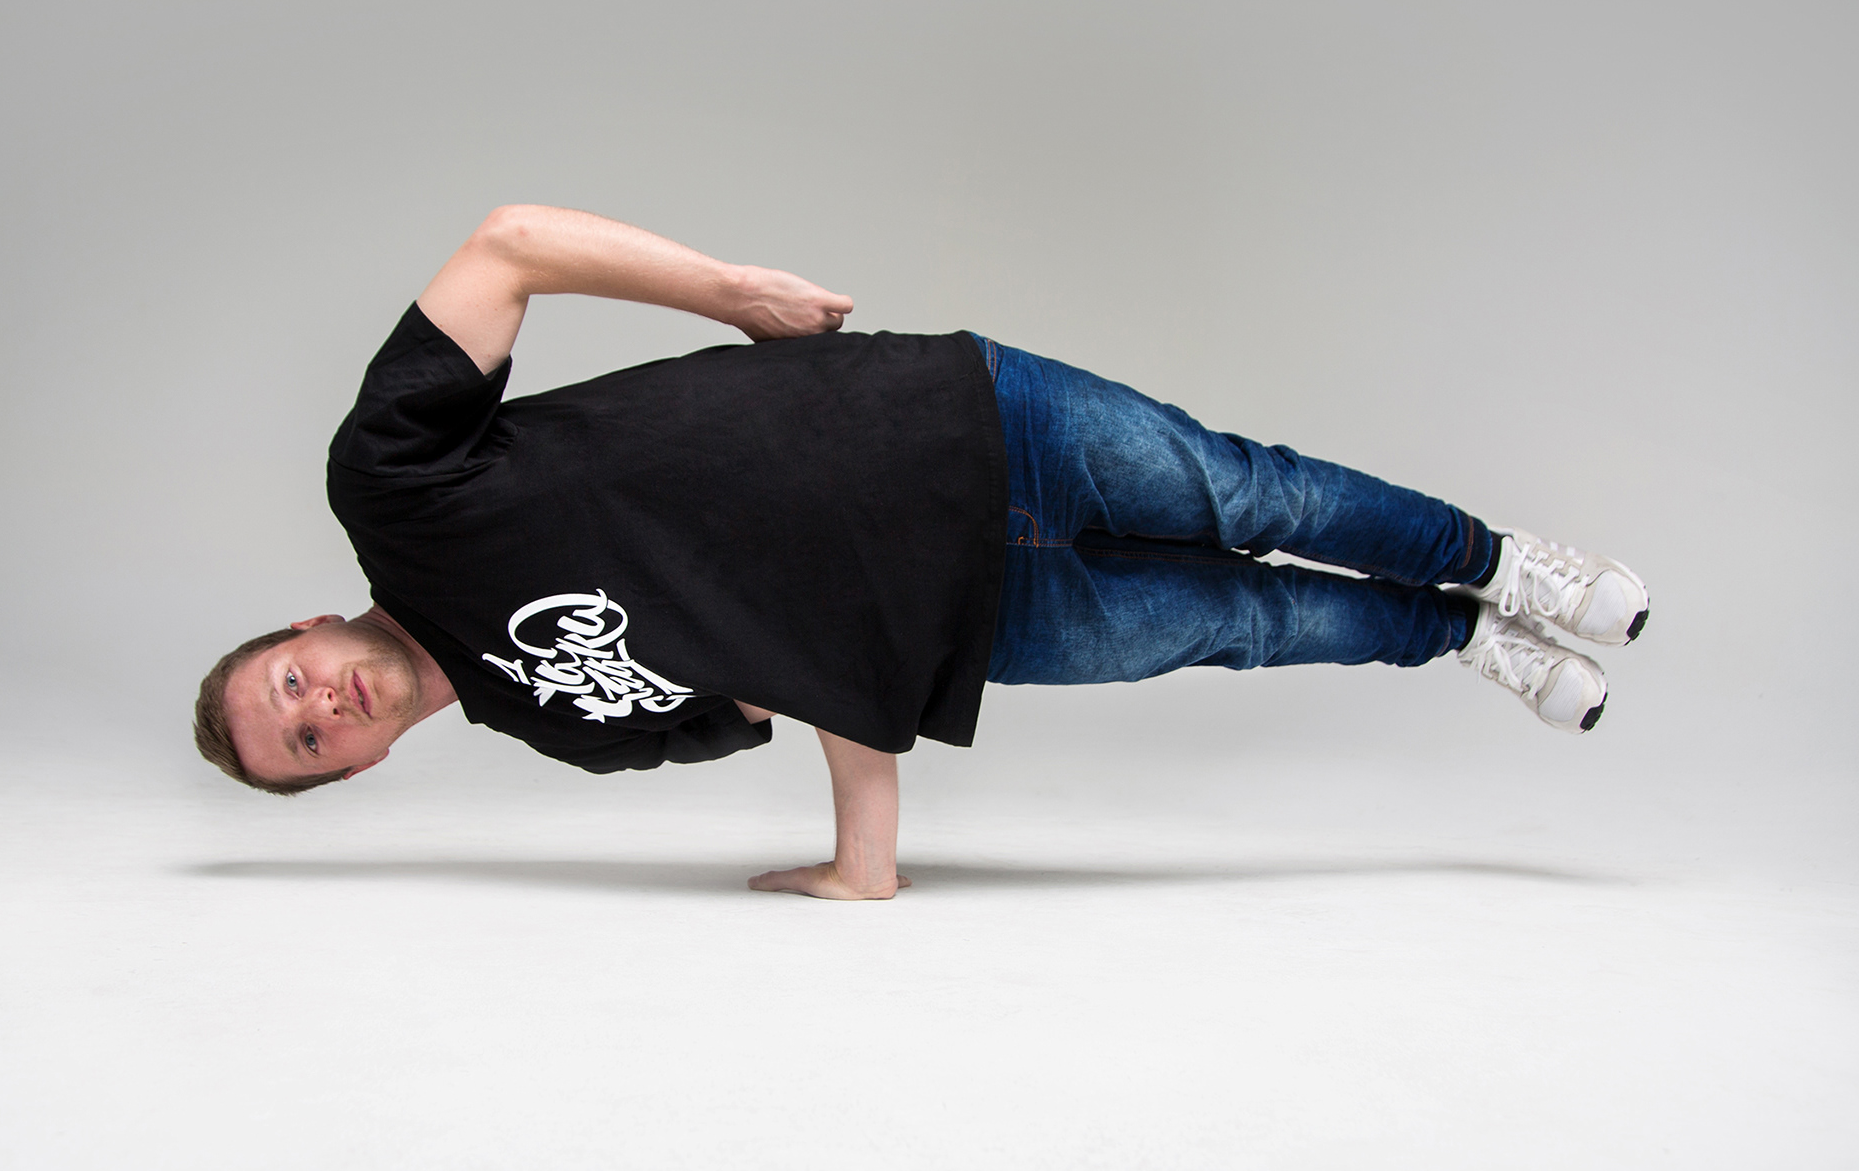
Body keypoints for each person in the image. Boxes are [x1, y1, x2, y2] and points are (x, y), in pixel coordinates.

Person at [193, 205, 1650, 900]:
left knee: (1249, 492)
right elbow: (802, 672)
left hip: (955, 423)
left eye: (290, 686)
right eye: (309, 743)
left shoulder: (390, 489)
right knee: (1245, 624)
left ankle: (1502, 562)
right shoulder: (566, 729)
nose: (324, 707)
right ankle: (1468, 637)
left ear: (306, 627)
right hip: (982, 624)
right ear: (353, 772)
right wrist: (864, 863)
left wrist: (728, 291)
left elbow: (506, 244)